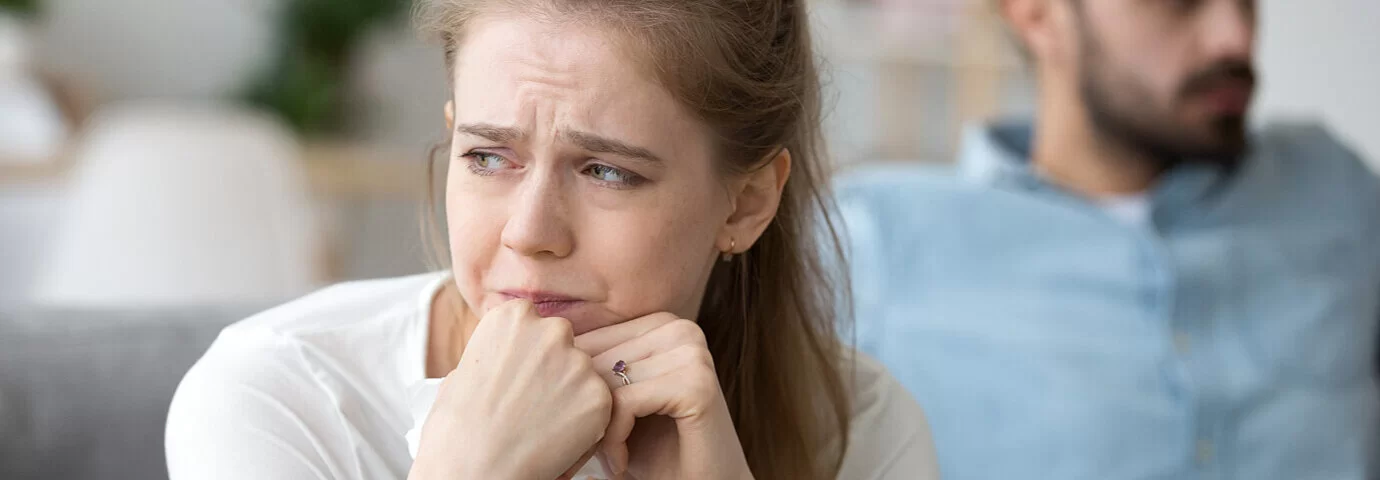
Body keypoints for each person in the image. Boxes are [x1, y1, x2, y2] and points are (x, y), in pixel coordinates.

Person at [163, 0, 939, 479]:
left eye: (606, 172)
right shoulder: (279, 400)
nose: (528, 233)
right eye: (489, 157)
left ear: (745, 204)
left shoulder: (861, 432)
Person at [836, 0, 1380, 478]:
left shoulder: (1330, 182)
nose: (1235, 36)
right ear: (1038, 14)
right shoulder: (877, 239)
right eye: (1179, 2)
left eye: (1248, 0)